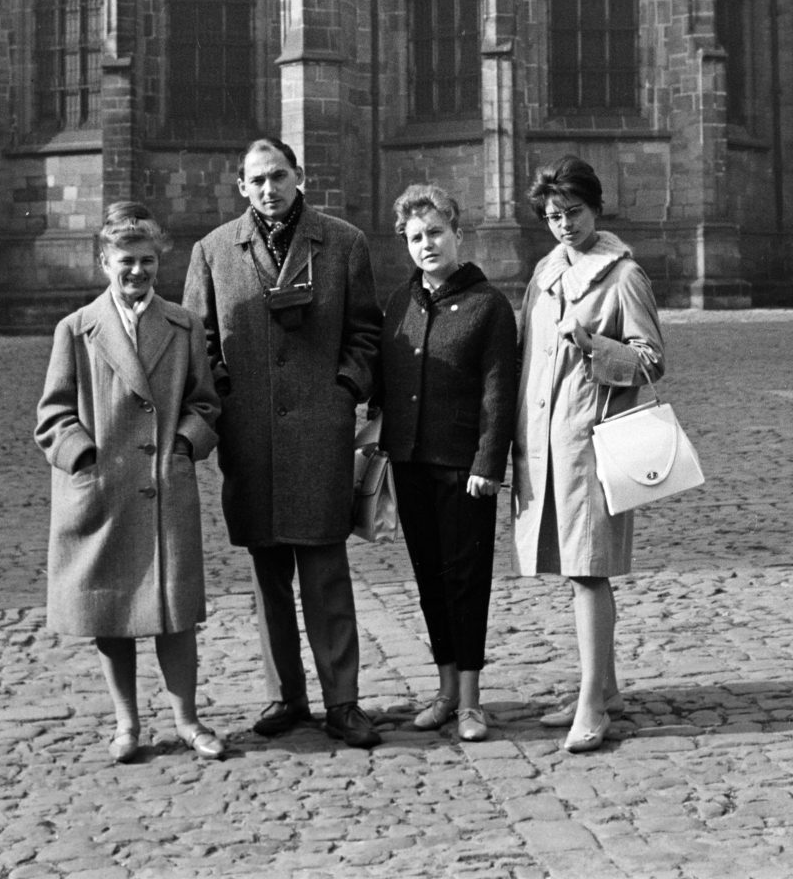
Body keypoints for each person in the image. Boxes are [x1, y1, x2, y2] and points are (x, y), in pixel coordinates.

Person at [183, 137, 383, 749]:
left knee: (325, 568)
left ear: (301, 176)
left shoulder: (342, 242)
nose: (268, 189)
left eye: (277, 176)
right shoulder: (214, 251)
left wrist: (344, 389)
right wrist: (227, 399)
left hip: (321, 434)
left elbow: (367, 331)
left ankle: (343, 701)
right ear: (240, 187)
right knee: (268, 571)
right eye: (255, 180)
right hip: (252, 437)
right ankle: (286, 696)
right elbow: (201, 342)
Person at [35, 202, 225, 764]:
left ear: (159, 264)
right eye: (125, 261)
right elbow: (53, 415)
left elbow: (205, 402)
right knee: (111, 611)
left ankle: (188, 721)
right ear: (103, 263)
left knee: (176, 610)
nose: (136, 272)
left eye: (146, 261)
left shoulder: (183, 324)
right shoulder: (76, 329)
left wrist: (186, 445)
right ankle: (127, 724)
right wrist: (85, 457)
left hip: (165, 484)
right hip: (105, 490)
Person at [512, 157, 665, 753]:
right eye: (552, 216)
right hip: (547, 446)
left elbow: (652, 360)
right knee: (574, 565)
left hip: (593, 443)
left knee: (588, 570)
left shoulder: (623, 275)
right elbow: (529, 359)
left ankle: (591, 704)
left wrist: (595, 345)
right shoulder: (545, 270)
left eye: (573, 212)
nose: (564, 225)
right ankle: (607, 687)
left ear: (596, 208)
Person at [377, 184, 516, 742]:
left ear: (458, 233)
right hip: (409, 460)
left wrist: (489, 461)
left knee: (466, 582)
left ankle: (472, 701)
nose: (426, 243)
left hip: (464, 469)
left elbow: (498, 391)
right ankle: (444, 690)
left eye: (436, 232)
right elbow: (388, 378)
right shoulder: (399, 302)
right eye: (415, 236)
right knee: (430, 581)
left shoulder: (489, 306)